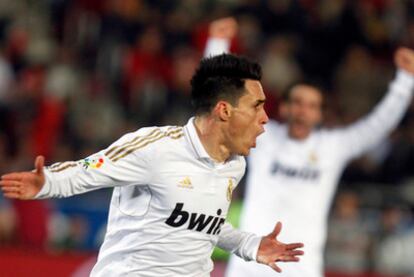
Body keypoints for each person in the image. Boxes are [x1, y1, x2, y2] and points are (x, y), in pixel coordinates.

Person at [0, 41, 304, 276]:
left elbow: (203, 226)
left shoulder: (234, 166)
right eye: (256, 106)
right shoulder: (154, 148)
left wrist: (249, 245)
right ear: (224, 110)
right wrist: (46, 181)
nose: (265, 118)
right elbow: (86, 171)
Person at [204, 18, 414, 277]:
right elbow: (223, 98)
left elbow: (377, 125)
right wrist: (217, 43)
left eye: (312, 106)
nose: (303, 111)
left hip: (303, 270)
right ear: (284, 108)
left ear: (320, 115)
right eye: (298, 103)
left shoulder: (333, 147)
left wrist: (405, 81)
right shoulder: (263, 138)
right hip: (249, 267)